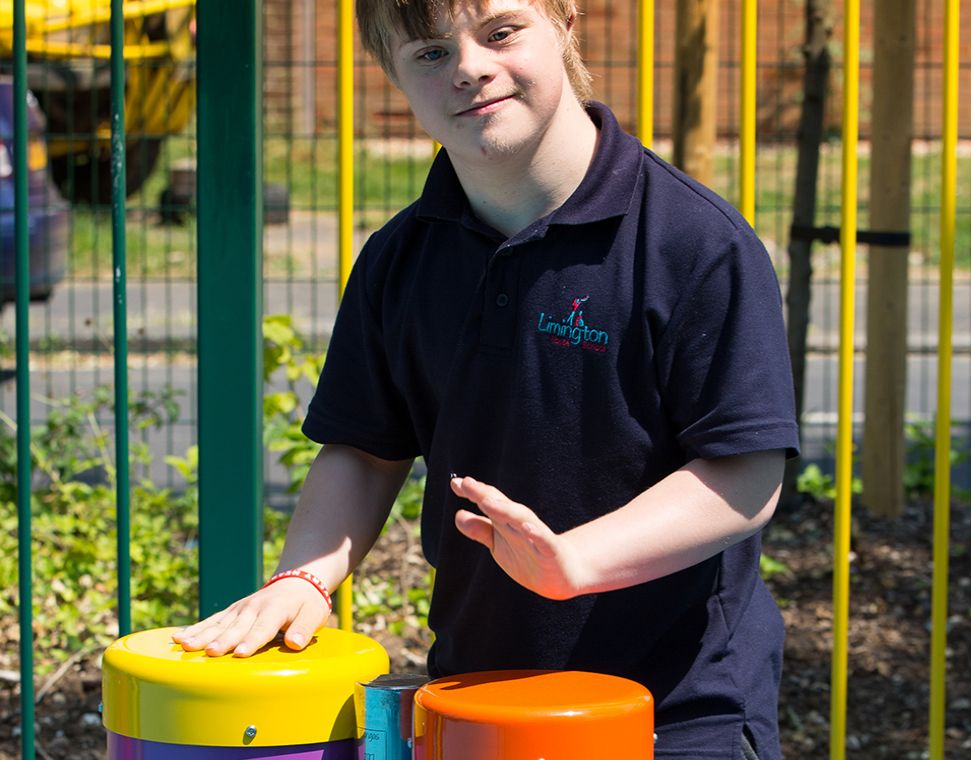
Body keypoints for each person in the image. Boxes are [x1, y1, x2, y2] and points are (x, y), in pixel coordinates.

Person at [173, 0, 799, 757]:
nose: (469, 66)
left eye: (501, 32)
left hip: (675, 713)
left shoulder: (693, 241)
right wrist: (302, 578)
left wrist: (578, 562)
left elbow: (746, 472)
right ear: (393, 76)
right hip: (477, 698)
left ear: (566, 23)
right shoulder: (399, 258)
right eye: (430, 54)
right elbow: (365, 450)